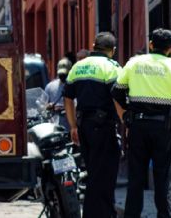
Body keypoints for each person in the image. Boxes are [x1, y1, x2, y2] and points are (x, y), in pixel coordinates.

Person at [112, 28, 171, 218]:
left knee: (135, 180)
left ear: (151, 44)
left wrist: (127, 115)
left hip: (138, 128)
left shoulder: (134, 62)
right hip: (163, 130)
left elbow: (116, 91)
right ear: (170, 47)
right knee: (162, 180)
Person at [64, 32, 122, 218]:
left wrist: (73, 126)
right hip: (104, 126)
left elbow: (67, 98)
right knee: (105, 175)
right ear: (112, 50)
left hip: (84, 127)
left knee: (93, 172)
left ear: (93, 46)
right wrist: (125, 121)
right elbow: (117, 97)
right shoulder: (112, 67)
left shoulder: (78, 67)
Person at [45, 58, 72, 130]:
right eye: (61, 74)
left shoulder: (74, 86)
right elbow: (43, 105)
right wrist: (48, 106)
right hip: (53, 126)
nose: (62, 76)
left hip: (69, 126)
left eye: (64, 74)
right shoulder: (50, 86)